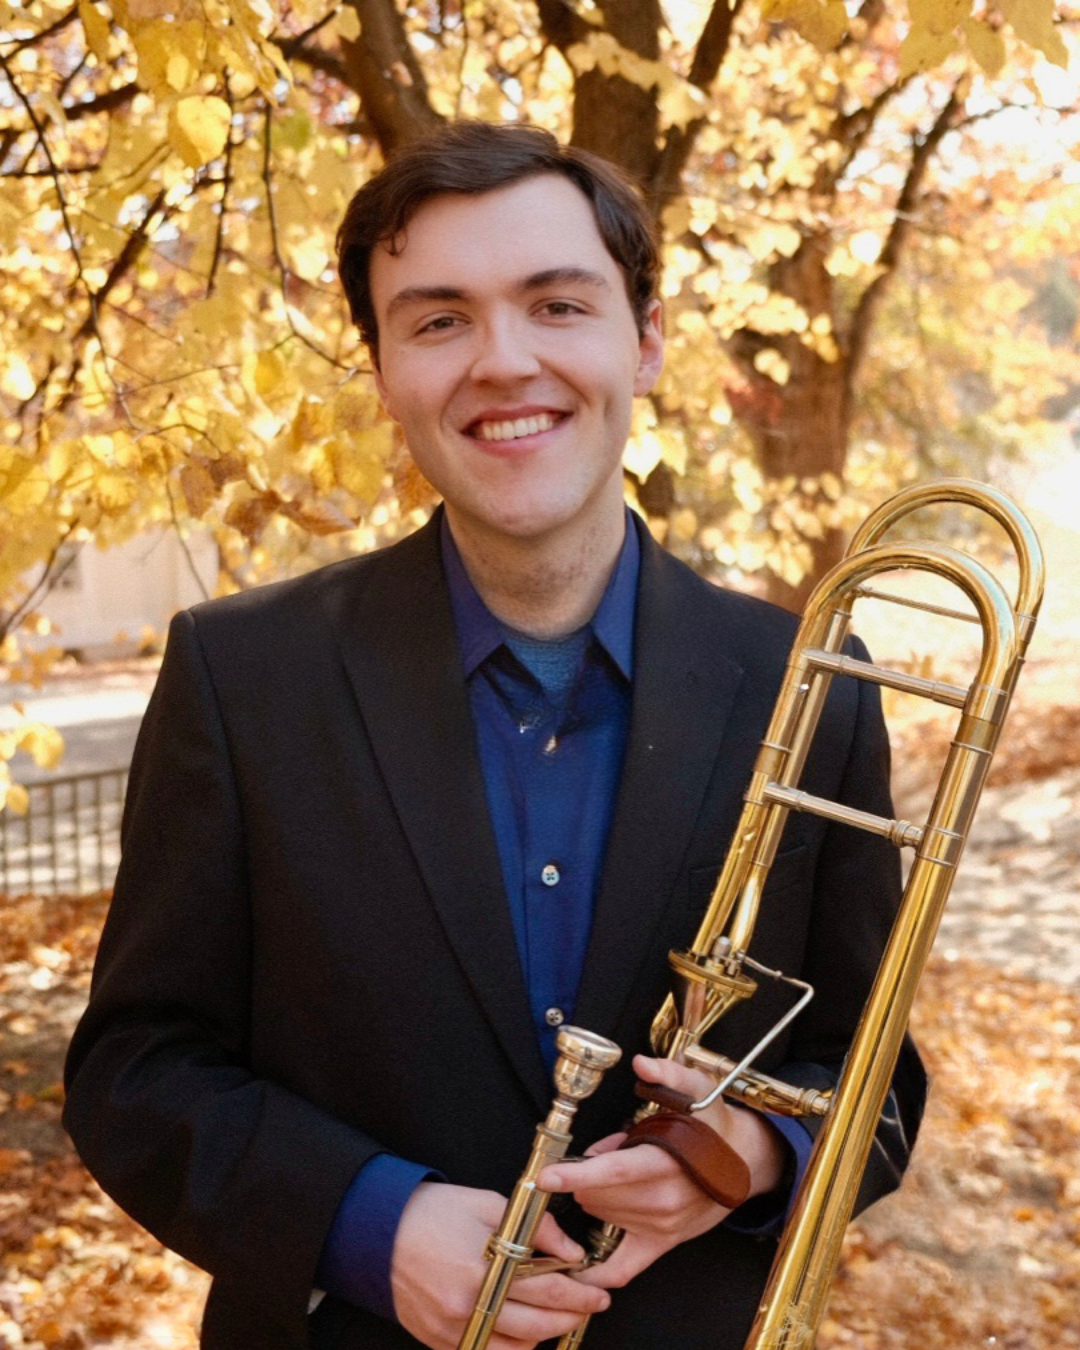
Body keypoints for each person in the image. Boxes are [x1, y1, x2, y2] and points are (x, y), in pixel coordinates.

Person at [64, 122, 925, 1350]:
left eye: (557, 304)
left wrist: (750, 1154)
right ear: (383, 371)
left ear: (647, 339)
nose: (503, 362)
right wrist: (365, 1225)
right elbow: (133, 1074)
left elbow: (872, 1070)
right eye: (438, 319)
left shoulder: (809, 682)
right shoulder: (239, 677)